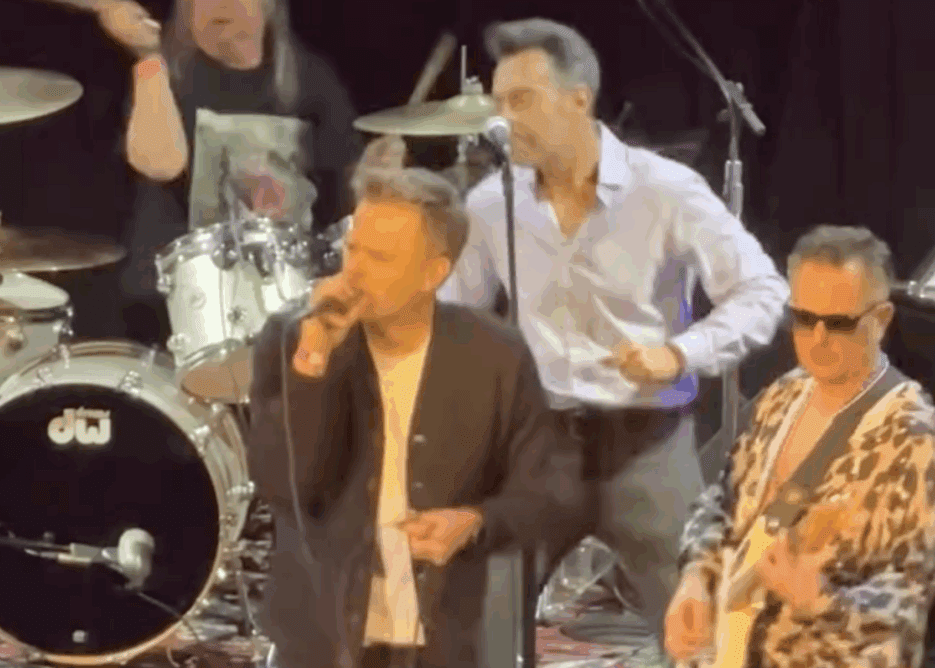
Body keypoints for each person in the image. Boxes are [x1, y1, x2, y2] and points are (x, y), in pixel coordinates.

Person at [435, 17, 790, 647]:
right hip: (539, 449)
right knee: (477, 627)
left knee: (702, 638)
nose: (503, 119)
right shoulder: (492, 203)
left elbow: (763, 290)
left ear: (578, 101)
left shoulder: (666, 191)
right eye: (499, 102)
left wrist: (679, 353)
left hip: (646, 447)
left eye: (522, 100)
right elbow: (451, 318)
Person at [242, 165, 582, 668]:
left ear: (433, 274)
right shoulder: (292, 341)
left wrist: (476, 521)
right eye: (353, 249)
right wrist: (314, 364)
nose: (354, 272)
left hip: (444, 638)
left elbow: (547, 489)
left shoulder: (495, 355)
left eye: (379, 258)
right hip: (320, 641)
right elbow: (283, 486)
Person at [667, 225, 935, 667]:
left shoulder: (913, 437)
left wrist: (821, 601)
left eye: (839, 323)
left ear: (881, 319)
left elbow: (913, 597)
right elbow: (723, 499)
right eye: (804, 319)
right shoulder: (783, 394)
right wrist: (697, 575)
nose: (818, 338)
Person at [87, 0, 361, 344]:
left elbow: (347, 195)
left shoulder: (311, 80)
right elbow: (158, 164)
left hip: (286, 299)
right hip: (174, 310)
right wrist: (148, 56)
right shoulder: (168, 73)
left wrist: (380, 173)